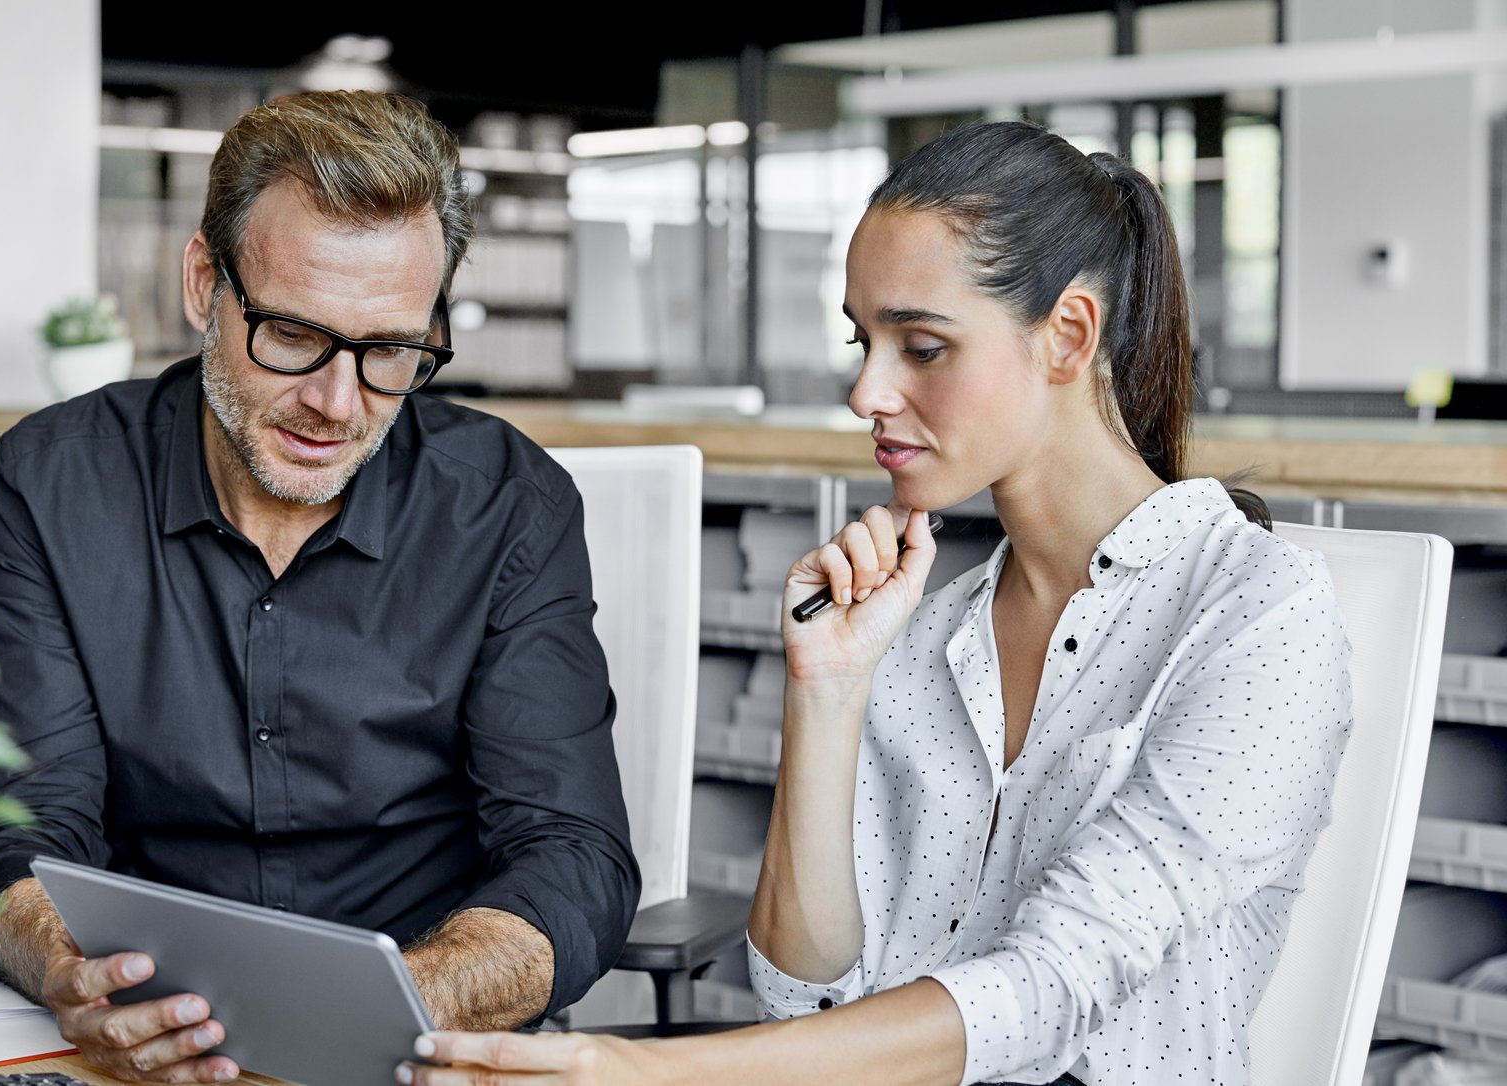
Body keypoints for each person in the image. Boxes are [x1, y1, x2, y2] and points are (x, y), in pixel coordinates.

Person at [400, 121, 1351, 1086]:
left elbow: (1054, 987)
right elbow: (801, 990)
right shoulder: (927, 629)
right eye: (864, 341)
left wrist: (651, 1072)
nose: (866, 391)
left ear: (1068, 335)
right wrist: (827, 690)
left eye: (923, 347)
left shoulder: (1259, 617)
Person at [0, 90, 640, 1085]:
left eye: (389, 351)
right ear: (203, 284)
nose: (335, 402)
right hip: (144, 1043)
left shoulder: (507, 507)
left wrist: (403, 998)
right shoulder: (55, 483)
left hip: (418, 1046)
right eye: (289, 335)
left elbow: (571, 854)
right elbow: (17, 828)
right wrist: (68, 971)